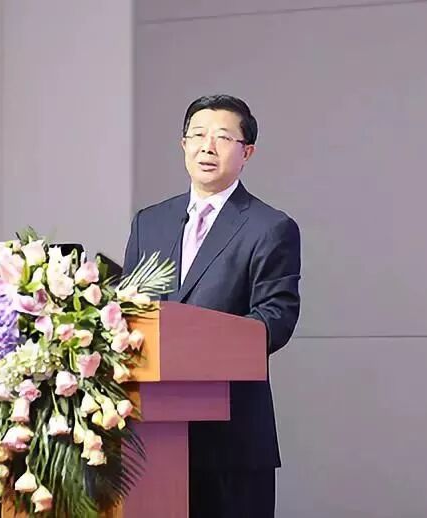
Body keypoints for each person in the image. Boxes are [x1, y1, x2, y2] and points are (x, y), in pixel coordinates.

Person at [123, 94, 301, 518]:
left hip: (231, 436)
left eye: (222, 137)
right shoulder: (150, 221)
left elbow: (275, 319)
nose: (207, 147)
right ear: (183, 145)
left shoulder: (270, 227)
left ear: (247, 152)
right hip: (150, 435)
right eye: (198, 135)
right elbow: (128, 309)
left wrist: (194, 343)